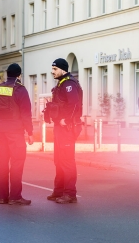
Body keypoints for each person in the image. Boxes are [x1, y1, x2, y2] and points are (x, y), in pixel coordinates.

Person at [0, 63, 34, 205]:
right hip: (15, 132)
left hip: (1, 131)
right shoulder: (20, 90)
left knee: (2, 162)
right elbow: (26, 113)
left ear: (7, 74)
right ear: (19, 75)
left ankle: (2, 197)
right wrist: (30, 132)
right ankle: (15, 196)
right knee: (17, 162)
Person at [44, 58, 83, 204]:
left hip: (67, 127)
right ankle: (59, 191)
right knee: (58, 160)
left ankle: (70, 194)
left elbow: (74, 105)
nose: (52, 71)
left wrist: (66, 120)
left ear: (62, 69)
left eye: (55, 69)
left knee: (67, 161)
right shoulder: (61, 83)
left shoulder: (69, 84)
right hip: (60, 128)